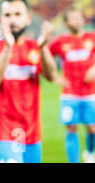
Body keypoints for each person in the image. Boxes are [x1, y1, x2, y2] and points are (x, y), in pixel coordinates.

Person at [0, 0, 58, 163]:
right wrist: (8, 48)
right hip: (2, 129)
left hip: (32, 131)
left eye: (17, 14)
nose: (12, 19)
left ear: (28, 18)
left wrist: (43, 48)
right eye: (7, 15)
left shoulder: (34, 47)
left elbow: (52, 76)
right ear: (1, 19)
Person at [48, 9, 95, 163]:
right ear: (66, 23)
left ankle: (89, 153)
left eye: (79, 18)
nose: (76, 21)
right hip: (69, 94)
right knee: (71, 128)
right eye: (72, 18)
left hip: (90, 92)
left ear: (83, 21)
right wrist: (55, 77)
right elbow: (44, 56)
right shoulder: (61, 41)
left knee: (92, 128)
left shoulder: (91, 38)